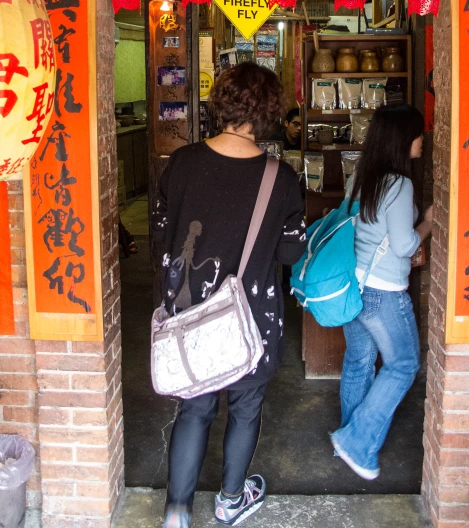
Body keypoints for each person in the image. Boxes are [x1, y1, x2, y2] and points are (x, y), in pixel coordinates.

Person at [152, 62, 306, 528]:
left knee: (195, 407)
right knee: (245, 408)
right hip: (252, 318)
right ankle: (231, 500)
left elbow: (161, 238)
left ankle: (178, 514)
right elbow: (289, 249)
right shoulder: (281, 177)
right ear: (270, 112)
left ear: (222, 104)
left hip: (191, 313)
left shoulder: (181, 163)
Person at [330, 103, 432, 481]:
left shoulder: (362, 174)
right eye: (419, 134)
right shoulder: (400, 184)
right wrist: (429, 224)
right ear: (403, 139)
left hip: (354, 287)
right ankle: (356, 442)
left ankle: (348, 438)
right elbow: (405, 245)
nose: (423, 140)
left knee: (359, 360)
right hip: (383, 292)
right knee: (403, 365)